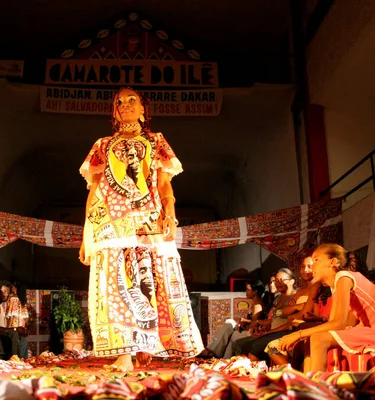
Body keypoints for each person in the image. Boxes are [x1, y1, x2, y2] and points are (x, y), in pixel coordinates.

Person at [79, 87, 203, 372]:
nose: (124, 105)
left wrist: (170, 214)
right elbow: (94, 189)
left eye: (131, 100)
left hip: (148, 219)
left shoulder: (156, 141)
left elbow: (163, 183)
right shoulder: (102, 145)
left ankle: (146, 344)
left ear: (143, 110)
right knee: (115, 285)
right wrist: (86, 234)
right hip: (109, 223)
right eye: (118, 102)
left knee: (149, 281)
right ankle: (124, 354)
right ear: (113, 112)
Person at [278, 244, 375, 373]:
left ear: (333, 262)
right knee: (315, 337)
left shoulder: (343, 277)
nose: (312, 265)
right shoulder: (336, 285)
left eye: (316, 260)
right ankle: (311, 382)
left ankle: (316, 388)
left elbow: (337, 324)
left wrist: (298, 334)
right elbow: (338, 323)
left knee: (319, 339)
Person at [196, 280, 265, 359]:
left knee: (230, 325)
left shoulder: (258, 305)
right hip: (246, 328)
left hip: (250, 331)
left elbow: (254, 323)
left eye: (248, 289)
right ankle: (219, 355)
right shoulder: (255, 303)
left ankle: (211, 351)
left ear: (255, 291)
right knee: (230, 327)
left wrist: (244, 322)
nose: (246, 292)